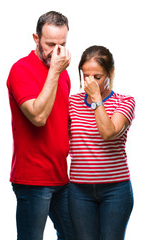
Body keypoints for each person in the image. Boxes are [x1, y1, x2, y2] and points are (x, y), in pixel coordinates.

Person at [6, 11, 74, 240]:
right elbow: (38, 117)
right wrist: (55, 71)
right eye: (50, 44)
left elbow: (63, 121)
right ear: (36, 39)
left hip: (61, 176)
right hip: (32, 179)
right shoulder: (21, 70)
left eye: (62, 44)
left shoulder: (62, 74)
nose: (57, 52)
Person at [68, 45, 135, 240]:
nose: (90, 81)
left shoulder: (125, 101)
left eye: (97, 77)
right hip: (79, 190)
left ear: (110, 73)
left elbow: (108, 132)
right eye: (86, 75)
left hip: (116, 190)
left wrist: (96, 98)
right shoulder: (71, 103)